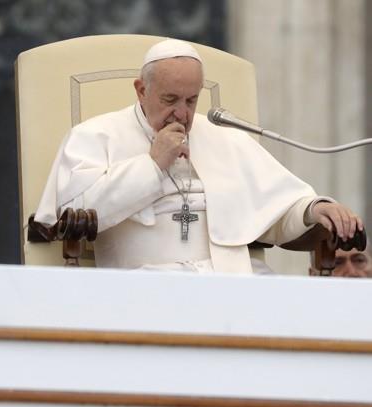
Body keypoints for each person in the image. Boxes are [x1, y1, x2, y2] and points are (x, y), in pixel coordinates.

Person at [35, 39, 363, 274]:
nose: (182, 113)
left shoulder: (224, 137)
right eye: (170, 99)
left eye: (192, 100)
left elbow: (280, 207)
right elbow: (70, 211)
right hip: (144, 282)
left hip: (234, 279)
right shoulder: (95, 136)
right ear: (141, 90)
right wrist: (151, 166)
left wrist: (316, 208)